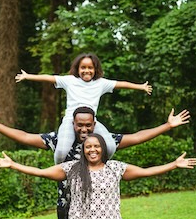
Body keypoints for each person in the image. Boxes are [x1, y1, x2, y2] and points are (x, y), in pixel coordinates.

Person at [0, 105, 190, 219]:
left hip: (105, 218)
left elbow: (136, 137)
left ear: (94, 125)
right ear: (73, 124)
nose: (84, 129)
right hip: (69, 210)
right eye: (80, 125)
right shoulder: (59, 140)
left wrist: (168, 126)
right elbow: (25, 137)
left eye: (88, 125)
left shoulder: (104, 143)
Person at [15, 53, 153, 163]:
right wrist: (28, 76)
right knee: (62, 151)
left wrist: (140, 86)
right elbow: (49, 78)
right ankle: (58, 170)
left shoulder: (101, 83)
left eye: (90, 68)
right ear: (77, 69)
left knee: (110, 146)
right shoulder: (70, 80)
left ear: (95, 69)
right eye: (83, 68)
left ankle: (98, 168)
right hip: (71, 121)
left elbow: (121, 84)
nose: (86, 71)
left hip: (92, 122)